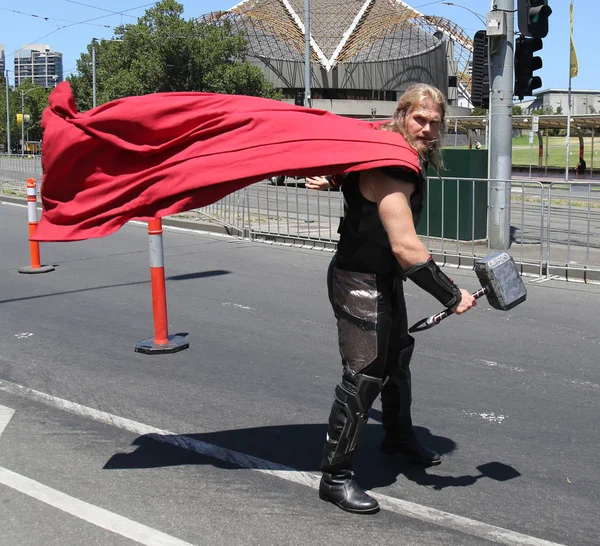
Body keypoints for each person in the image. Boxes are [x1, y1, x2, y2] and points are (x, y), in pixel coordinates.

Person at [306, 83, 476, 515]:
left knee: (397, 359)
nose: (428, 128)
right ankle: (335, 476)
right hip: (358, 279)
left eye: (436, 121)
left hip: (384, 277)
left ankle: (398, 438)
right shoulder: (392, 167)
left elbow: (352, 174)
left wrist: (333, 180)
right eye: (420, 119)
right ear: (403, 115)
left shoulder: (388, 152)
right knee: (365, 374)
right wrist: (452, 294)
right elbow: (406, 246)